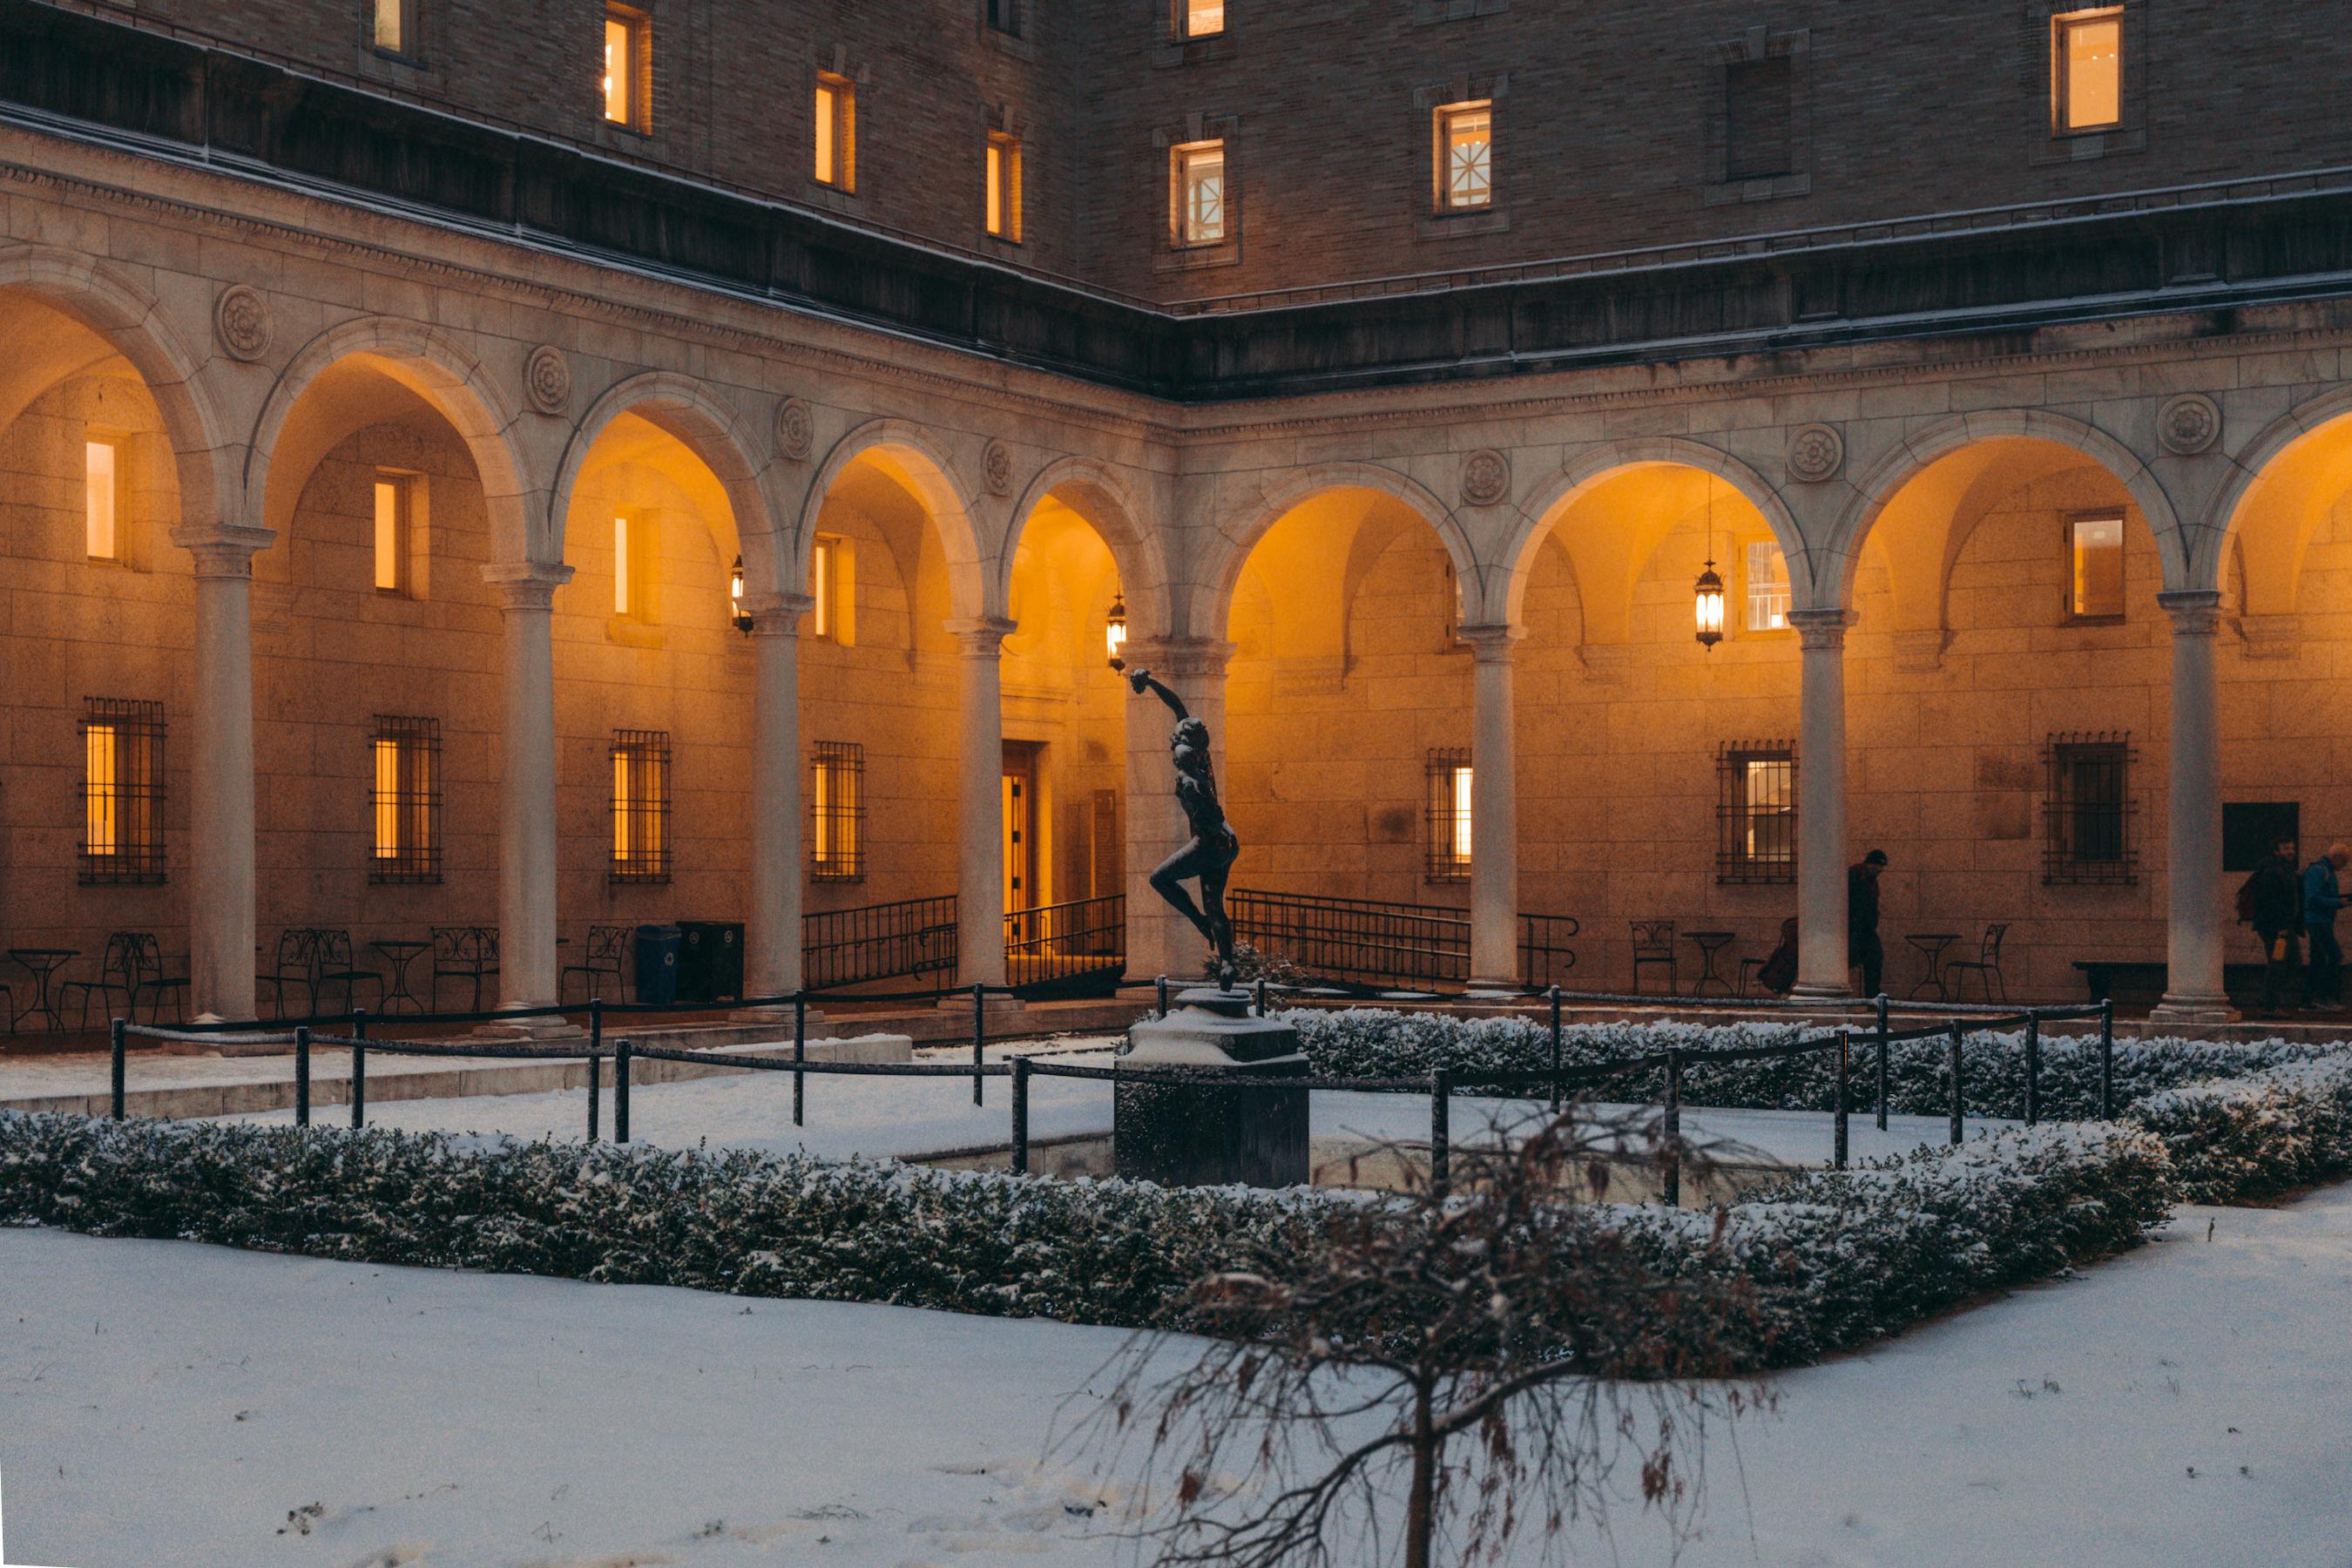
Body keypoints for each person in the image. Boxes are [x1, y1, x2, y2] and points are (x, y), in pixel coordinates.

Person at [1127, 666, 1242, 983]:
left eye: (1177, 747)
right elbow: (1178, 706)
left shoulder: (1190, 778)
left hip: (1210, 842)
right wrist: (1150, 683)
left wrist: (1206, 816)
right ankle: (1228, 963)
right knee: (1214, 902)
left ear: (1185, 752)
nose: (1173, 747)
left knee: (1160, 879)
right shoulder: (1200, 753)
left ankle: (1200, 923)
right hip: (1227, 841)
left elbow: (1208, 812)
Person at [2244, 835, 2303, 1019]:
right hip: (2277, 930)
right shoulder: (2273, 871)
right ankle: (2270, 1003)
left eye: (2292, 848)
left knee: (2288, 962)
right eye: (2286, 849)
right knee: (2279, 963)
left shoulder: (2284, 870)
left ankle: (2267, 996)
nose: (2291, 852)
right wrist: (2281, 927)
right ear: (2277, 851)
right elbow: (2272, 902)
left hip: (2283, 927)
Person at [2303, 842, 2349, 1011]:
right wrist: (2338, 902)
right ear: (2336, 857)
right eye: (2345, 861)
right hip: (2318, 921)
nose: (2345, 866)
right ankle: (2324, 996)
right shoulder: (2320, 871)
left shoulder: (2325, 871)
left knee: (2318, 959)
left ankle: (2308, 998)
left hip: (2320, 920)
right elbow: (2312, 898)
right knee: (2334, 956)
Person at [1848, 848, 1888, 998]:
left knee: (1875, 957)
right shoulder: (1853, 875)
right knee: (1865, 956)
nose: (1879, 871)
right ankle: (1872, 995)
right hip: (1853, 927)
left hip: (1866, 928)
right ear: (1869, 864)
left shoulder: (1871, 880)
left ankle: (1873, 995)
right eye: (1877, 867)